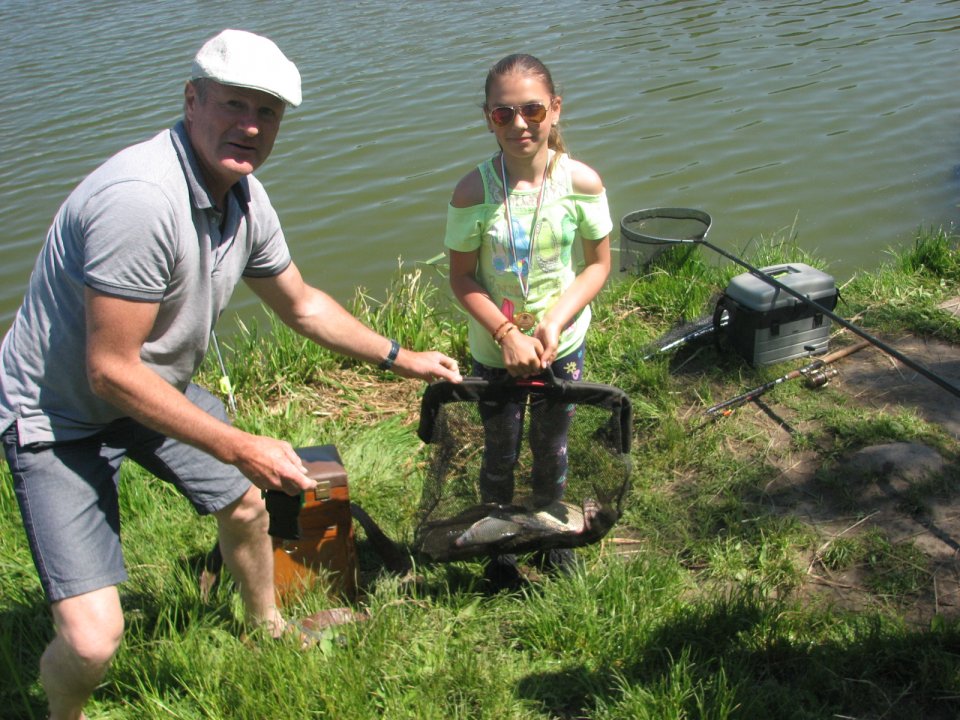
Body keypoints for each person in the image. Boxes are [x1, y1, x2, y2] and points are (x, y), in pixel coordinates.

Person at [0, 29, 461, 720]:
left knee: (244, 505)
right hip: (59, 413)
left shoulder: (243, 196)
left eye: (268, 113)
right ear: (192, 101)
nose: (250, 126)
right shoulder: (140, 201)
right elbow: (108, 372)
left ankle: (268, 630)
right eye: (233, 105)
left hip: (146, 384)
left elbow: (301, 305)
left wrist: (403, 357)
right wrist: (241, 445)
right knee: (94, 642)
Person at [444, 53, 612, 586]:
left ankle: (548, 534)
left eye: (532, 110)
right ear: (488, 118)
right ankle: (500, 548)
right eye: (503, 114)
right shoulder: (472, 192)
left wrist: (556, 322)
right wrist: (505, 333)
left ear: (555, 110)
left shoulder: (581, 183)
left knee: (551, 446)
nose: (520, 124)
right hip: (496, 351)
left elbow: (598, 265)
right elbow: (462, 278)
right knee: (499, 451)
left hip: (562, 345)